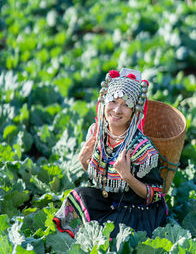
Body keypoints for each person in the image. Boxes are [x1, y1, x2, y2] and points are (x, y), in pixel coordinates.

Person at [53, 68, 167, 239]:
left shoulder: (142, 147)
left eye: (126, 104)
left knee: (114, 234)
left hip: (137, 210)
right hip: (108, 201)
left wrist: (127, 176)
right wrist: (84, 161)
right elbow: (99, 179)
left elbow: (156, 195)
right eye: (113, 101)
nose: (117, 110)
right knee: (76, 197)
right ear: (104, 102)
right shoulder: (97, 133)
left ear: (134, 111)